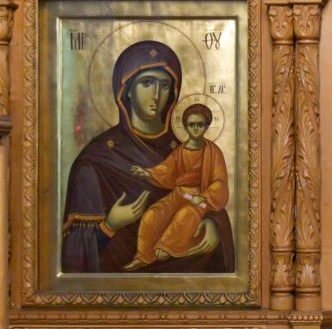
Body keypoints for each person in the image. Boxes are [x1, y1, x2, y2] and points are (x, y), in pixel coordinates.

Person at [61, 40, 234, 274]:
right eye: (147, 82)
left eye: (164, 84)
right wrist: (110, 225)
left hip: (186, 280)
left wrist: (214, 226)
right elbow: (73, 256)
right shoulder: (96, 161)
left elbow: (210, 193)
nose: (156, 94)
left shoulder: (187, 149)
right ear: (127, 89)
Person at [123, 103, 229, 270]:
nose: (196, 129)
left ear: (206, 126)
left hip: (200, 197)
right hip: (179, 194)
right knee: (152, 215)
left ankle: (166, 247)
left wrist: (203, 197)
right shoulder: (181, 150)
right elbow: (167, 170)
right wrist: (147, 173)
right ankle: (144, 256)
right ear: (185, 126)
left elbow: (220, 181)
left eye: (200, 124)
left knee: (184, 215)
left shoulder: (213, 152)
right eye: (191, 125)